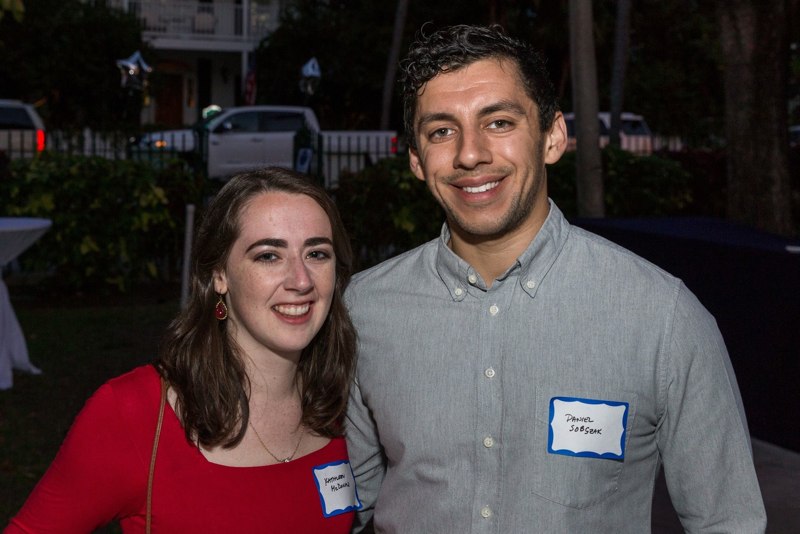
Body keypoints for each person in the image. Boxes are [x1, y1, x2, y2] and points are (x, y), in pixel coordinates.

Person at [345, 24, 766, 532]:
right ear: (416, 159)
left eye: (498, 122)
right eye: (441, 131)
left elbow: (728, 520)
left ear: (553, 137)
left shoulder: (662, 316)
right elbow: (347, 501)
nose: (470, 154)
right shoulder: (365, 309)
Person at [6, 168, 362, 533]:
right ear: (219, 275)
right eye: (268, 256)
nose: (301, 280)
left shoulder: (346, 403)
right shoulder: (131, 414)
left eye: (317, 253)